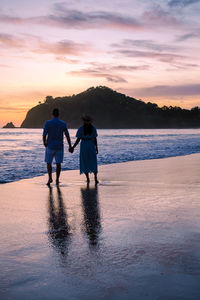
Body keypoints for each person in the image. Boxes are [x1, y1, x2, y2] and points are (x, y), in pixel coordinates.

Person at [43, 108, 72, 185]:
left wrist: (44, 142)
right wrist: (70, 146)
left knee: (49, 163)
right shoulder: (63, 123)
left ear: (52, 114)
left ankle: (50, 178)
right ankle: (57, 179)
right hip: (59, 146)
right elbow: (67, 135)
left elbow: (44, 134)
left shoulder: (48, 123)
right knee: (58, 163)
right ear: (59, 114)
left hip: (50, 146)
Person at [72, 115, 99, 184]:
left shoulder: (81, 129)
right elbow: (95, 139)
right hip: (91, 144)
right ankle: (95, 178)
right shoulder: (93, 128)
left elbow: (78, 139)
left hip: (84, 145)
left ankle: (88, 178)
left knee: (85, 161)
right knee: (93, 161)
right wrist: (96, 148)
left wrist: (73, 147)